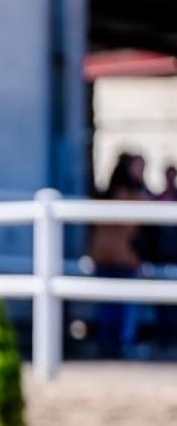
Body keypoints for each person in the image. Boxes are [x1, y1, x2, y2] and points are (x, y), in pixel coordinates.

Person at [88, 153, 150, 358]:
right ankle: (123, 344)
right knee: (125, 304)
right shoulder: (130, 195)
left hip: (102, 254)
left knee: (106, 304)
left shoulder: (105, 194)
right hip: (124, 256)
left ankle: (107, 344)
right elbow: (133, 225)